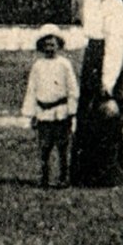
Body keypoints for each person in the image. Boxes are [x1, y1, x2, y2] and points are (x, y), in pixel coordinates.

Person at [67, 0, 123, 188]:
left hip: (105, 66)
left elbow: (114, 47)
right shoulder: (94, 6)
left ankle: (108, 176)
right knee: (87, 118)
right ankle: (85, 176)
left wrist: (107, 81)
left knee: (107, 118)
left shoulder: (116, 7)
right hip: (92, 62)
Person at [20, 25, 80, 187]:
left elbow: (73, 89)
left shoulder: (64, 64)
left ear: (59, 45)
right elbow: (32, 90)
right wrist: (31, 113)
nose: (50, 48)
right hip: (43, 112)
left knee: (62, 147)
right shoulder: (38, 66)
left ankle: (63, 177)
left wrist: (71, 111)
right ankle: (44, 177)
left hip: (60, 112)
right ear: (41, 47)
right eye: (46, 45)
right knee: (44, 148)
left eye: (53, 44)